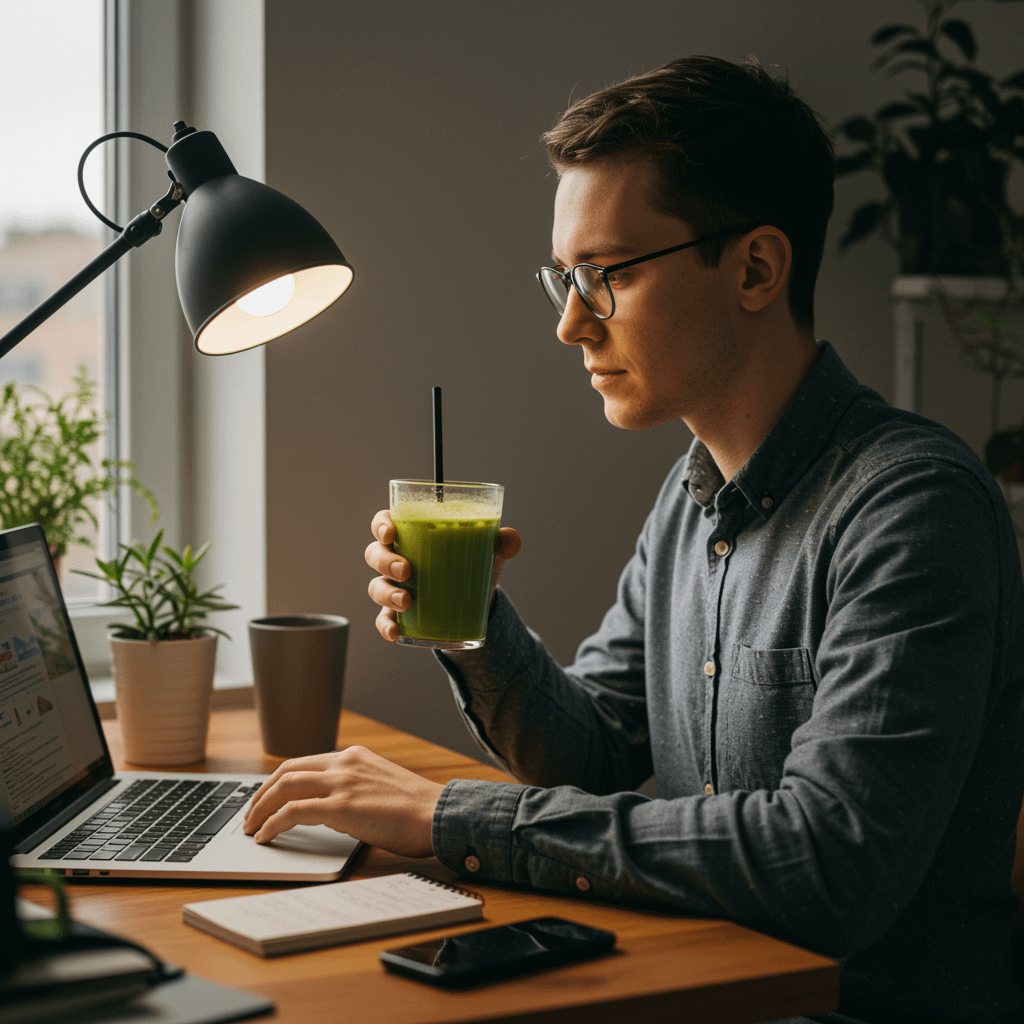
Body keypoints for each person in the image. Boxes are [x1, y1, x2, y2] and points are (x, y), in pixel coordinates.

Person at [243, 56, 1024, 1023]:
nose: (572, 323)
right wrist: (474, 623)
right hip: (704, 986)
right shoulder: (691, 497)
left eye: (604, 276)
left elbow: (825, 865)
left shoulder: (911, 508)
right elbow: (596, 751)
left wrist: (450, 815)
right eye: (562, 279)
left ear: (754, 268)